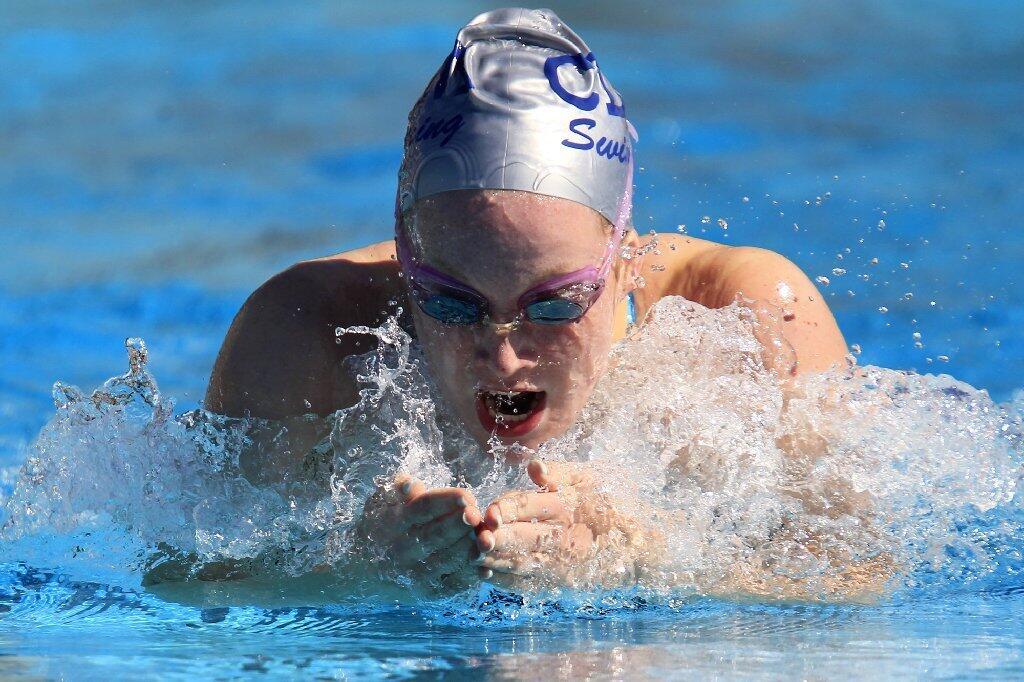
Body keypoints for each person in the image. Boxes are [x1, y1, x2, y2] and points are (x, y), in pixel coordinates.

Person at [205, 8, 854, 594]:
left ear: (625, 259)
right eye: (453, 304)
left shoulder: (744, 315)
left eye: (554, 304)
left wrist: (635, 555)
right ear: (408, 265)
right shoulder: (305, 331)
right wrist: (356, 560)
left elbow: (858, 575)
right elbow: (190, 585)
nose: (506, 357)